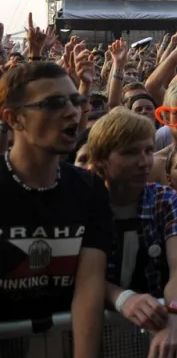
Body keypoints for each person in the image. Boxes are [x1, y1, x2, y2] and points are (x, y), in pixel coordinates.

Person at [0, 62, 113, 358]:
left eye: (76, 101)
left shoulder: (90, 189)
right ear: (14, 119)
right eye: (53, 103)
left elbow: (89, 288)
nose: (72, 112)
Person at [87, 107, 177, 358]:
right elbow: (77, 274)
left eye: (148, 150)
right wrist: (122, 298)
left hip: (153, 330)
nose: (144, 161)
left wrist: (176, 321)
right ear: (102, 159)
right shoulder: (83, 201)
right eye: (130, 152)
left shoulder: (166, 199)